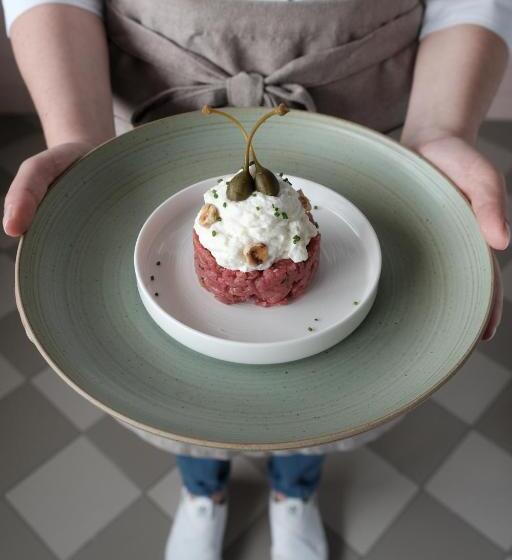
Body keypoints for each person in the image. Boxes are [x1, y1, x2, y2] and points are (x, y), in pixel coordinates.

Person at [2, 1, 511, 559]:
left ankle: (295, 490)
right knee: (176, 387)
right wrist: (78, 132)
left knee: (327, 390)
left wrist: (440, 128)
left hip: (370, 132)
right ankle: (205, 492)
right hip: (152, 133)